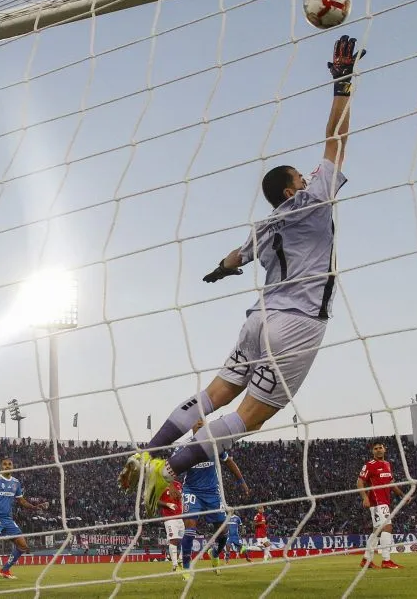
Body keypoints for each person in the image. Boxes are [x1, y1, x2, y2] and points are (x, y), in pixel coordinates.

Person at [118, 36, 365, 514]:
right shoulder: (314, 202)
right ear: (295, 186)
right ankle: (165, 472)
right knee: (249, 418)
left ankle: (148, 451)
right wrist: (343, 82)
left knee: (215, 393)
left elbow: (236, 257)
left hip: (257, 318)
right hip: (296, 323)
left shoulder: (265, 224)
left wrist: (220, 270)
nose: (307, 178)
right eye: (301, 176)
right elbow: (337, 141)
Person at [177, 419, 250, 578]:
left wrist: (241, 481)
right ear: (192, 428)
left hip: (212, 493)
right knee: (190, 528)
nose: (200, 427)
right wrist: (170, 486)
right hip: (191, 491)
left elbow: (229, 462)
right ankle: (187, 568)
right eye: (197, 425)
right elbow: (173, 467)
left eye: (203, 425)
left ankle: (215, 553)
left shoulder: (214, 445)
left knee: (223, 533)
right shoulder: (183, 447)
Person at [356, 439, 406, 570]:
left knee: (376, 531)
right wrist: (364, 497)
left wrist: (402, 495)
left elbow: (391, 483)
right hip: (377, 501)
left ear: (385, 449)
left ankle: (366, 559)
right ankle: (386, 560)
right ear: (372, 451)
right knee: (388, 527)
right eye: (376, 448)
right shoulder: (369, 465)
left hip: (384, 500)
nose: (378, 450)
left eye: (380, 448)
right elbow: (360, 482)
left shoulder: (387, 464)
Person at [159, 479, 184, 571]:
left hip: (181, 517)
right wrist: (167, 504)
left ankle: (181, 560)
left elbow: (181, 498)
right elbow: (156, 501)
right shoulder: (160, 485)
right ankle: (175, 565)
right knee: (173, 540)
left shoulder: (178, 484)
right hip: (169, 518)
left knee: (185, 538)